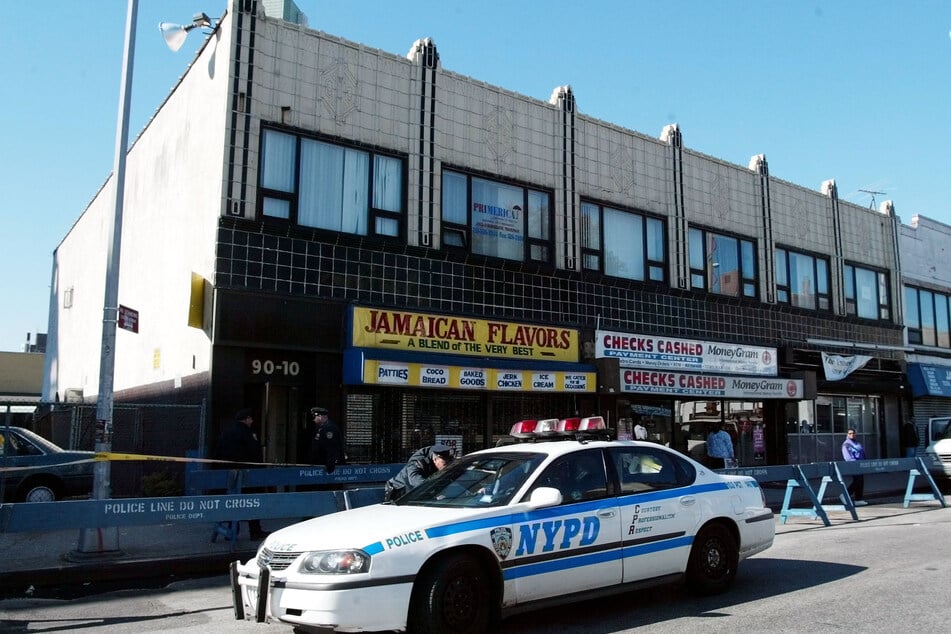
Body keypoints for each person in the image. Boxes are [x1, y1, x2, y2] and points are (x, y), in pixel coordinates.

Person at [215, 408, 269, 540]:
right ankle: (255, 531)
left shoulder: (227, 432)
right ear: (247, 419)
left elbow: (218, 451)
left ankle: (232, 530)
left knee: (233, 501)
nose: (252, 421)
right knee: (253, 502)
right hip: (247, 474)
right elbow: (255, 452)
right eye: (251, 418)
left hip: (229, 474)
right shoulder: (248, 433)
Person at [384, 444, 455, 502]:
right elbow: (415, 480)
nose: (446, 467)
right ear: (435, 459)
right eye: (444, 464)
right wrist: (434, 491)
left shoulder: (439, 458)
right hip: (399, 490)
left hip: (415, 491)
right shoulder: (418, 461)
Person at [309, 406, 343, 474]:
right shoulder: (321, 428)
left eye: (315, 417)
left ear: (320, 417)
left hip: (326, 467)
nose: (314, 420)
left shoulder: (329, 428)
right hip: (320, 465)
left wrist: (330, 464)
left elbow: (332, 447)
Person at [841, 428, 867, 505]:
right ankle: (845, 495)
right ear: (847, 434)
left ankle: (858, 499)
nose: (852, 435)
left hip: (860, 464)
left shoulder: (857, 443)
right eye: (850, 433)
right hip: (853, 465)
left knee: (860, 481)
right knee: (857, 480)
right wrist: (854, 463)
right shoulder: (846, 444)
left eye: (853, 433)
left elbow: (862, 452)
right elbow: (847, 457)